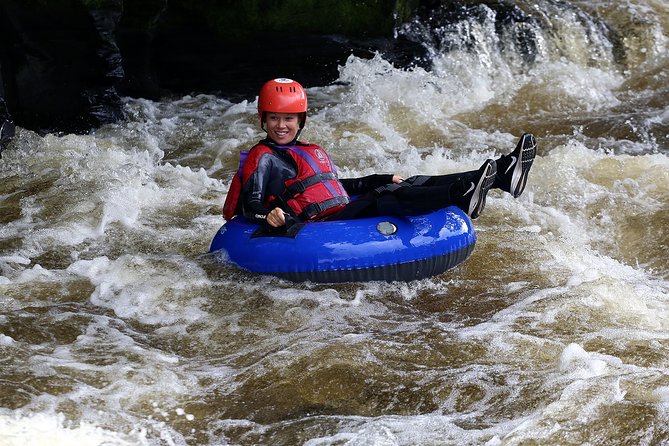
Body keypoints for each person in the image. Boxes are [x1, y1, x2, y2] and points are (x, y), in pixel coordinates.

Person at [223, 78, 536, 228]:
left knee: (409, 182)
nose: (281, 126)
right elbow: (250, 205)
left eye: (289, 119)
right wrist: (270, 215)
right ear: (262, 119)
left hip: (338, 209)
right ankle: (461, 195)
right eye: (274, 118)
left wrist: (379, 177)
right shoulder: (261, 157)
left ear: (301, 121)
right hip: (319, 224)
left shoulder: (309, 151)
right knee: (386, 197)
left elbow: (335, 186)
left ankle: (503, 174)